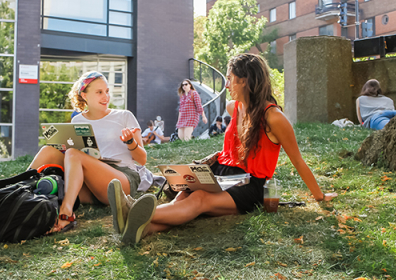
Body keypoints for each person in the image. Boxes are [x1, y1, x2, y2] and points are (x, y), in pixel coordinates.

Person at [109, 53, 338, 245]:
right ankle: (140, 229)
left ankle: (134, 213)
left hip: (250, 184)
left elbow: (298, 161)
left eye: (230, 79)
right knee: (186, 192)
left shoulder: (274, 118)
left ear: (245, 81)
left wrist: (320, 196)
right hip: (221, 172)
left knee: (199, 199)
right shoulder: (234, 107)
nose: (226, 85)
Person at [28, 71, 146, 233]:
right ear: (84, 95)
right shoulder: (78, 120)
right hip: (89, 184)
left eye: (107, 91)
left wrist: (130, 142)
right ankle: (20, 191)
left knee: (73, 154)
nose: (105, 96)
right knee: (48, 150)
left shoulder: (124, 116)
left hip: (121, 180)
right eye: (99, 92)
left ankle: (66, 212)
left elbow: (142, 159)